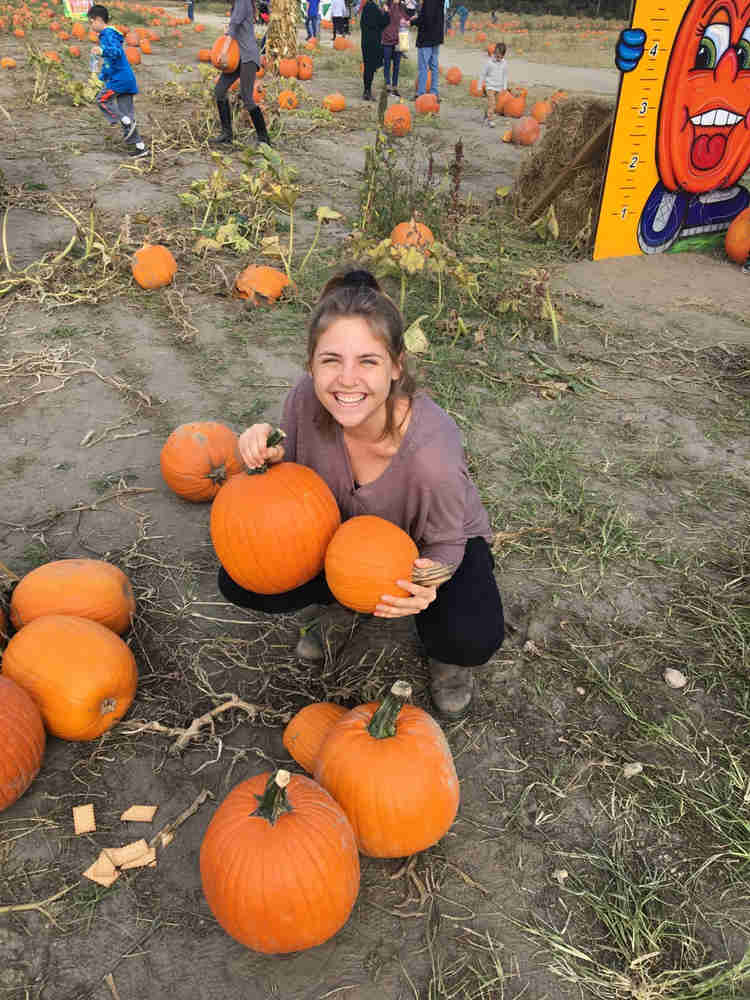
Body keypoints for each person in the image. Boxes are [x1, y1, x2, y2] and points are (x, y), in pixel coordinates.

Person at [220, 269, 505, 720]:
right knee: (245, 579)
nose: (346, 380)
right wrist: (264, 451)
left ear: (395, 367)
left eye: (368, 362)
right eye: (331, 360)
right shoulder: (303, 401)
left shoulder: (433, 450)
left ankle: (447, 659)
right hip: (349, 536)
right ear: (311, 363)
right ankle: (339, 603)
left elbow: (448, 544)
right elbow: (294, 484)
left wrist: (427, 585)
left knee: (469, 633)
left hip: (429, 543)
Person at [87, 4, 148, 159]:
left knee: (102, 100)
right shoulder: (109, 34)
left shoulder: (107, 34)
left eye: (91, 21)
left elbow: (116, 52)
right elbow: (110, 63)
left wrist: (102, 50)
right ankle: (140, 147)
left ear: (99, 20)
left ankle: (123, 120)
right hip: (125, 79)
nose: (90, 25)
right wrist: (100, 78)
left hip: (120, 80)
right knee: (128, 114)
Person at [210, 0, 271, 148]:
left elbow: (234, 26)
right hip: (236, 56)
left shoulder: (242, 1)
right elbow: (234, 29)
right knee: (219, 91)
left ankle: (264, 139)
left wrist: (223, 51)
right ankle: (227, 134)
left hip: (248, 57)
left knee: (247, 97)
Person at [411, 0, 443, 101]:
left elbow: (426, 20)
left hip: (426, 38)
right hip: (436, 37)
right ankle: (434, 92)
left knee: (423, 67)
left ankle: (421, 94)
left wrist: (412, 21)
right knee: (434, 66)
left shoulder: (429, 2)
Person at [360, 0, 389, 101]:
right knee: (370, 68)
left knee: (367, 66)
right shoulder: (375, 9)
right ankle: (367, 91)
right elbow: (384, 23)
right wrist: (386, 12)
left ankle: (366, 90)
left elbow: (362, 25)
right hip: (374, 42)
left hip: (365, 41)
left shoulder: (365, 9)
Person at [381, 0, 409, 96]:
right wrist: (393, 5)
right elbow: (387, 18)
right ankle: (387, 85)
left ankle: (395, 86)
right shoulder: (386, 5)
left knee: (396, 65)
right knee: (387, 63)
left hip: (398, 41)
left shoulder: (402, 7)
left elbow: (406, 19)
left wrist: (408, 20)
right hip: (387, 39)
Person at [478, 41, 507, 128]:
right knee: (492, 104)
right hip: (489, 86)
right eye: (496, 55)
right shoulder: (489, 63)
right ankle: (491, 120)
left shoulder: (504, 63)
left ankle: (486, 115)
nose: (498, 58)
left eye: (500, 56)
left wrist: (504, 87)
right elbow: (483, 74)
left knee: (493, 105)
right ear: (494, 53)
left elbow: (505, 75)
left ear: (503, 55)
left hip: (498, 87)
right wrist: (479, 86)